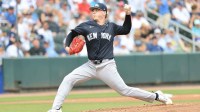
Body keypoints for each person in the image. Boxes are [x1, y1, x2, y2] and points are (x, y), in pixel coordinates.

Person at [48, 3, 173, 112]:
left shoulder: (111, 27)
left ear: (104, 12)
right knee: (68, 79)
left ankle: (157, 96)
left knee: (124, 90)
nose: (93, 12)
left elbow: (126, 29)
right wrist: (67, 47)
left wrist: (128, 14)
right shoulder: (86, 25)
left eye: (96, 10)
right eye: (92, 10)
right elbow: (72, 34)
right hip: (90, 65)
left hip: (107, 66)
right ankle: (56, 109)